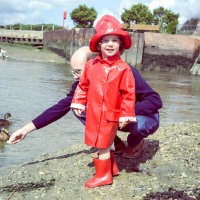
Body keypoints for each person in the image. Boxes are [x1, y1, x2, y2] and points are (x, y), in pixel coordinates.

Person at [8, 22, 162, 171]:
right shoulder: (82, 84)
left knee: (140, 125)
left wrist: (123, 112)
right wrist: (25, 129)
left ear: (92, 64)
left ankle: (135, 142)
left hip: (141, 116)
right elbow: (59, 109)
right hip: (113, 118)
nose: (76, 77)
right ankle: (112, 144)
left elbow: (155, 100)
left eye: (78, 71)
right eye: (73, 71)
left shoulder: (125, 71)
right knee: (78, 107)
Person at [70, 15, 136, 188]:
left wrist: (126, 114)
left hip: (110, 113)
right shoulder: (91, 65)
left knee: (103, 144)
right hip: (93, 112)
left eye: (115, 40)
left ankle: (103, 176)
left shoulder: (123, 68)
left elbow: (129, 93)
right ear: (98, 44)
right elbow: (82, 86)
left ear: (121, 44)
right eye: (106, 40)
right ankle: (111, 167)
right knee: (98, 140)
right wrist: (78, 102)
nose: (110, 44)